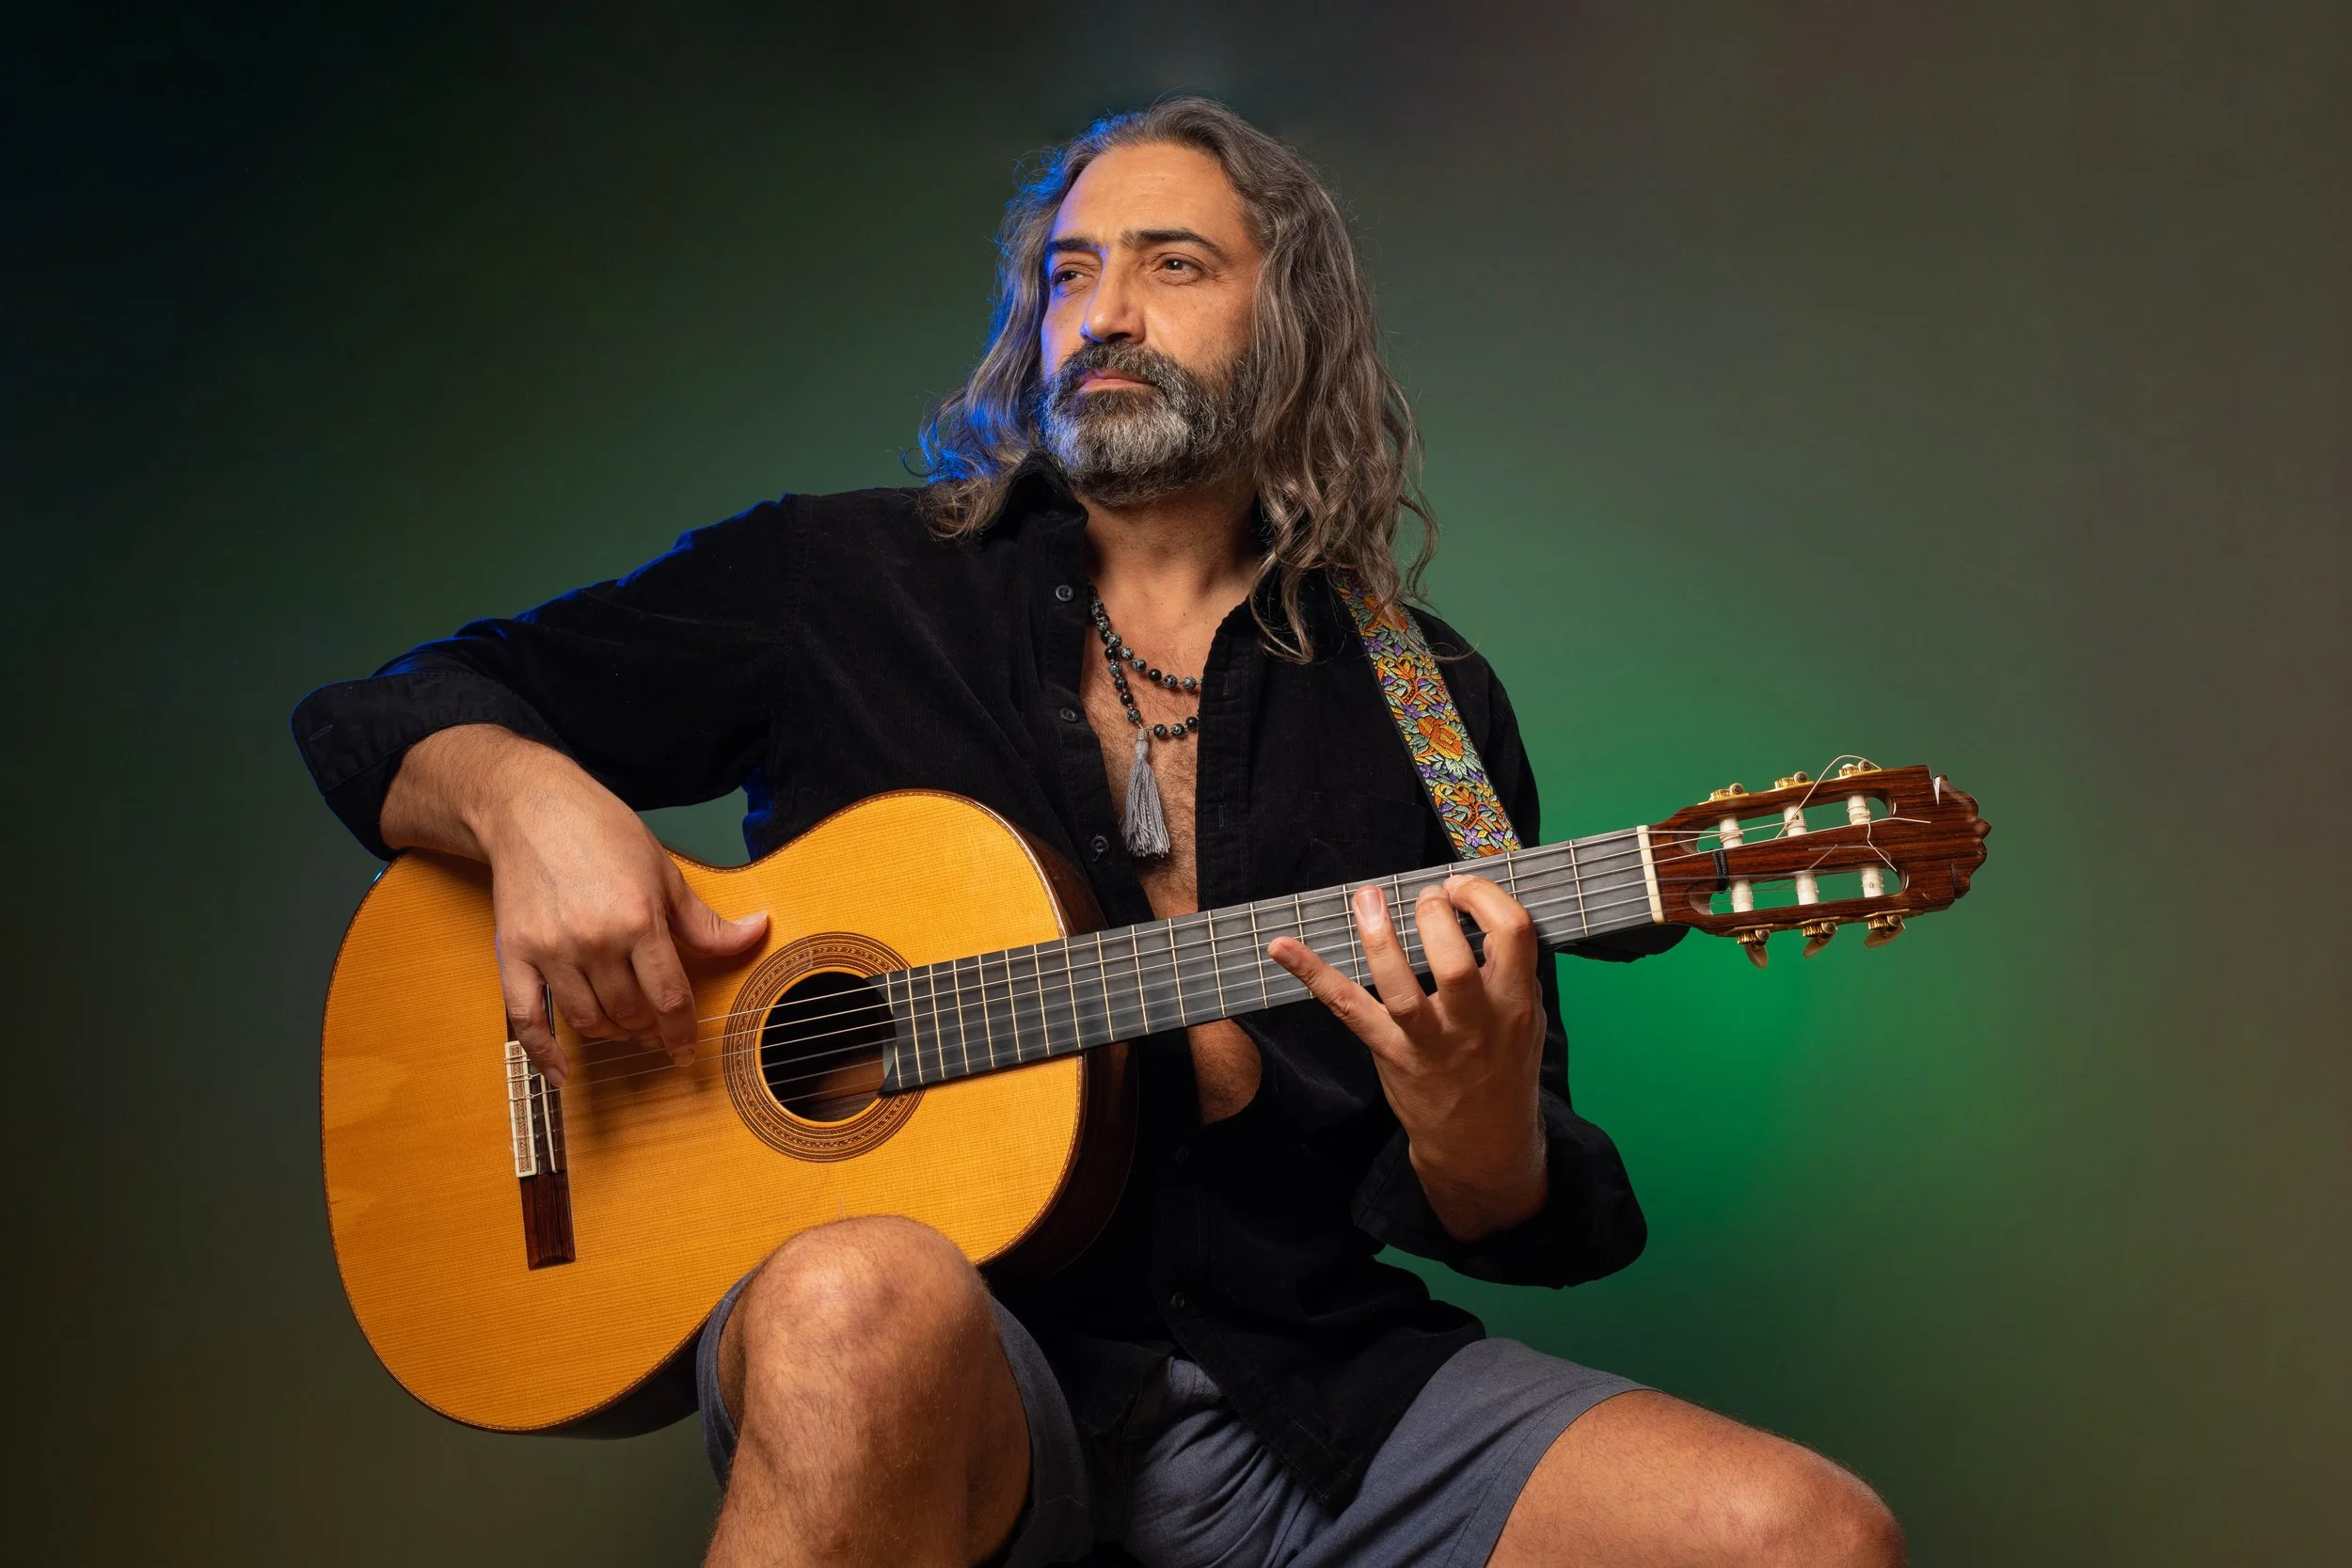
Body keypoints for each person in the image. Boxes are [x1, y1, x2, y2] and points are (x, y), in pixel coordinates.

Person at [294, 98, 1903, 1568]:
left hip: (1308, 1397)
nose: (1104, 312)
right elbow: (380, 711)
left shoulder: (1429, 698)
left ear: (1290, 324)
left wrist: (1476, 1121)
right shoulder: (838, 587)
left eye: (1171, 263)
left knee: (1809, 1538)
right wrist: (532, 799)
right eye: (1070, 274)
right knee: (863, 1293)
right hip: (944, 1377)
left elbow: (1513, 1207)